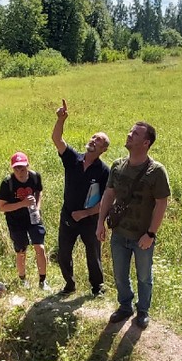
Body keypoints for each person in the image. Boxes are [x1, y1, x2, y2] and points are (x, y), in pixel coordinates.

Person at [96, 121, 170, 329]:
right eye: (130, 131)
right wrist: (100, 222)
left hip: (142, 236)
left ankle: (143, 311)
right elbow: (109, 194)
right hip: (119, 233)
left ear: (146, 142)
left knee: (144, 276)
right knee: (120, 274)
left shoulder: (156, 171)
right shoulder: (117, 166)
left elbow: (161, 203)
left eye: (135, 134)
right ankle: (125, 306)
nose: (129, 135)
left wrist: (151, 234)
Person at [51, 98, 110, 296]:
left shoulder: (103, 171)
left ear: (103, 150)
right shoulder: (73, 160)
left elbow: (105, 201)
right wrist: (61, 119)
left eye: (99, 141)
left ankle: (97, 288)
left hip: (90, 220)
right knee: (64, 253)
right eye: (94, 138)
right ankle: (69, 285)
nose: (94, 141)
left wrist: (85, 214)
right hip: (67, 216)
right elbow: (57, 140)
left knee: (93, 255)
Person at [0, 151, 48, 288]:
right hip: (15, 221)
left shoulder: (35, 177)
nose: (20, 171)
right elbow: (2, 207)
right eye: (16, 168)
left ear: (28, 165)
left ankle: (43, 281)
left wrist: (37, 207)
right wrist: (22, 204)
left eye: (23, 168)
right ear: (12, 168)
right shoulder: (7, 183)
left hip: (33, 217)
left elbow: (38, 191)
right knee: (21, 251)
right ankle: (22, 280)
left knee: (40, 247)